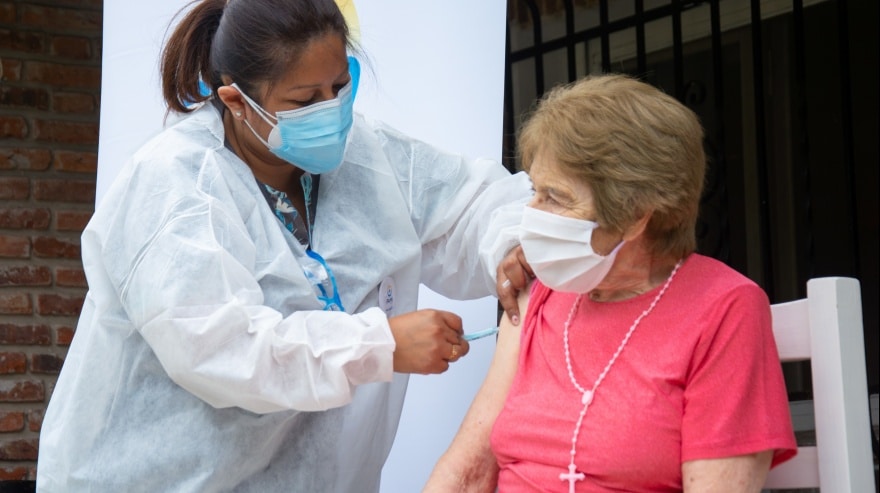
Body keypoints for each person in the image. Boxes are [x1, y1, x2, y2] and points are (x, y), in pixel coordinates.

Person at [36, 0, 531, 491]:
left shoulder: (368, 156)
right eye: (303, 101)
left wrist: (510, 245)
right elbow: (221, 350)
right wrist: (380, 344)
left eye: (340, 87)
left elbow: (471, 203)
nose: (332, 110)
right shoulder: (175, 185)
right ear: (235, 102)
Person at [424, 74, 797, 492]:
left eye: (554, 197)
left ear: (636, 214)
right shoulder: (540, 293)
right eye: (535, 191)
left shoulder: (725, 309)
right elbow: (468, 471)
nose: (530, 213)